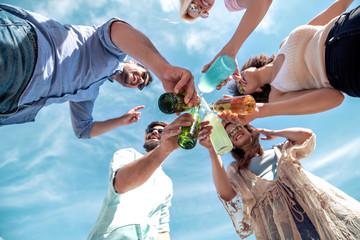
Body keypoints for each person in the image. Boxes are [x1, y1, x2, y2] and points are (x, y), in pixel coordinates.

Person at [0, 3, 199, 139]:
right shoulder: (112, 50)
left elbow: (83, 130)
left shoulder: (90, 93)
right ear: (133, 61)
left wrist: (121, 120)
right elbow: (117, 29)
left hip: (12, 101)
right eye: (144, 74)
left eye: (141, 85)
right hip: (22, 52)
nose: (139, 80)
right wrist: (163, 70)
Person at [198, 121, 360, 239]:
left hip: (314, 210)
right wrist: (213, 149)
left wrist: (272, 132)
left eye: (237, 127)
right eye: (229, 134)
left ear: (250, 130)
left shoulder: (280, 149)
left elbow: (306, 136)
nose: (234, 132)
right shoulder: (237, 171)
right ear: (229, 143)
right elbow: (226, 194)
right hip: (281, 228)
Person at [223, 0, 359, 125]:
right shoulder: (277, 95)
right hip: (345, 68)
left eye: (238, 79)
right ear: (255, 92)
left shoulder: (284, 43)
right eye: (241, 89)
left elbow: (330, 13)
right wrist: (262, 111)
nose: (240, 82)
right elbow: (335, 98)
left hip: (346, 25)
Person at [87, 114, 194, 240]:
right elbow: (121, 184)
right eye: (151, 130)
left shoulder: (166, 182)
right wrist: (163, 150)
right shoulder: (127, 154)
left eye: (161, 131)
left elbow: (162, 230)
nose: (154, 132)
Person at [179, 0, 273, 86]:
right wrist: (232, 50)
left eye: (193, 7)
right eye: (203, 13)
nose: (202, 8)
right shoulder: (231, 3)